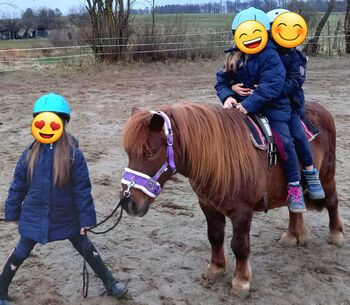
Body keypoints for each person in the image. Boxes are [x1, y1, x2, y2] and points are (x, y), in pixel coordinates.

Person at [0, 93, 128, 305]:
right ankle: (1, 290)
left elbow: (82, 190)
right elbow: (17, 186)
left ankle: (110, 282)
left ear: (63, 123)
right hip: (35, 216)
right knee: (20, 251)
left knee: (86, 247)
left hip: (67, 216)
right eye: (42, 121)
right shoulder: (28, 154)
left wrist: (86, 220)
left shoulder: (73, 155)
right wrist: (12, 212)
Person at [215, 7, 306, 213]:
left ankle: (294, 186)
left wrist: (247, 105)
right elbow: (221, 81)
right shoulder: (234, 57)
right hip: (239, 107)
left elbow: (272, 86)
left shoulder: (271, 57)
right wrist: (228, 94)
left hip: (271, 108)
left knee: (285, 141)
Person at [266, 8, 325, 200]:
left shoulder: (296, 57)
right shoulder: (263, 53)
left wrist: (267, 89)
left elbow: (293, 83)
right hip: (262, 103)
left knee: (298, 136)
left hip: (288, 106)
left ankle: (310, 172)